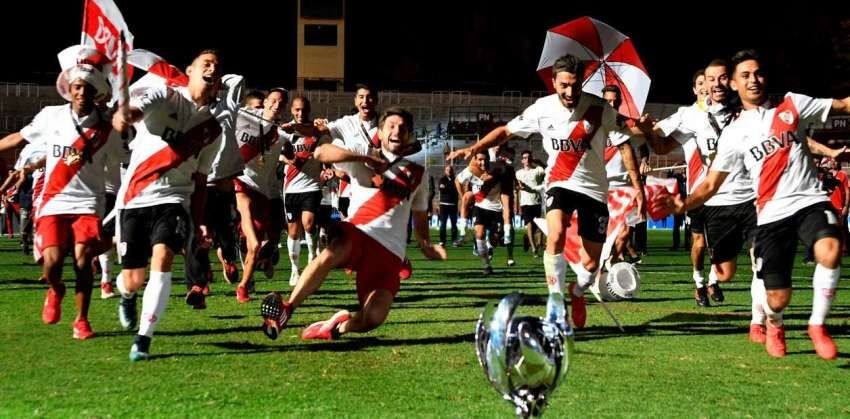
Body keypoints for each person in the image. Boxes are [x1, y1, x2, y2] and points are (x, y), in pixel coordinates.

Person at [657, 49, 850, 360]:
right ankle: (773, 322)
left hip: (809, 200)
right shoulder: (734, 134)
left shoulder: (792, 105)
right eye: (744, 75)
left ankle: (817, 324)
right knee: (777, 297)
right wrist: (683, 204)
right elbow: (710, 184)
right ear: (734, 84)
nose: (753, 80)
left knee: (830, 248)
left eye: (758, 73)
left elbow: (842, 104)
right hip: (771, 214)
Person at [447, 54, 644, 328]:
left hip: (594, 189)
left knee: (590, 266)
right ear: (553, 82)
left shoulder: (599, 108)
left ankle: (576, 292)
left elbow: (629, 134)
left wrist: (646, 131)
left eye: (575, 85)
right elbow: (506, 131)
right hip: (559, 182)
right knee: (557, 233)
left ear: (582, 83)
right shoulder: (542, 108)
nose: (569, 92)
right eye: (563, 85)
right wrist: (474, 148)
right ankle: (556, 304)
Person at [260, 107, 446, 340]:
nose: (397, 131)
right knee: (331, 252)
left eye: (402, 128)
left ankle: (336, 327)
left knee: (373, 318)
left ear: (408, 136)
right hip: (359, 233)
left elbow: (420, 219)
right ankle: (287, 308)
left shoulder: (418, 174)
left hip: (390, 254)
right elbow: (321, 153)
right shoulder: (362, 154)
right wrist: (364, 158)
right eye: (391, 126)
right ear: (380, 131)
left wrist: (428, 247)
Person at [111, 49, 225, 361]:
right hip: (134, 198)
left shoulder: (213, 130)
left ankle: (143, 340)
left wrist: (199, 219)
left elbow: (201, 181)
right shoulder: (163, 96)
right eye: (206, 63)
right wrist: (124, 115)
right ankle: (126, 294)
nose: (212, 68)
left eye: (217, 65)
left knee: (163, 258)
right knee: (133, 279)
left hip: (174, 200)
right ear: (189, 70)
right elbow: (131, 115)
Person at [21, 47, 125, 340]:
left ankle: (81, 320)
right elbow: (19, 137)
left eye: (88, 88)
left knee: (82, 261)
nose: (81, 92)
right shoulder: (50, 116)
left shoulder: (108, 130)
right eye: (77, 86)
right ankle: (56, 290)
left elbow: (124, 158)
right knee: (52, 264)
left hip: (88, 202)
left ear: (96, 93)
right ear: (69, 88)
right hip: (54, 201)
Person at [640, 62, 736, 307]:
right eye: (702, 83)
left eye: (711, 82)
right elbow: (660, 137)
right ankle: (698, 282)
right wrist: (645, 129)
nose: (707, 87)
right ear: (695, 89)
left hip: (724, 193)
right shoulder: (689, 115)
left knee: (721, 246)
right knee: (700, 243)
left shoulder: (732, 114)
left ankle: (713, 280)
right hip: (697, 192)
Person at [228, 87, 287, 303]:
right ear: (266, 101)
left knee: (264, 238)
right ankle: (242, 285)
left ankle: (247, 276)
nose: (276, 104)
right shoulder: (244, 116)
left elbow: (301, 137)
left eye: (281, 102)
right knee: (253, 242)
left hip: (263, 190)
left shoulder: (281, 133)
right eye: (273, 100)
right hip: (241, 182)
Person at [280, 95, 327, 286]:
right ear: (292, 110)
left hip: (311, 185)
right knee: (293, 231)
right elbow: (279, 155)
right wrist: (287, 160)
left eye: (304, 110)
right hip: (291, 186)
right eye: (297, 110)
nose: (301, 113)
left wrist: (326, 167)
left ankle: (312, 257)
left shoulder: (315, 130)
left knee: (308, 223)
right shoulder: (285, 131)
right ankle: (294, 269)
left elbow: (325, 149)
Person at [515, 150, 545, 256]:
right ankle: (534, 249)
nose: (527, 159)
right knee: (530, 225)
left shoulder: (538, 170)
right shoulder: (518, 173)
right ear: (522, 160)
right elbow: (517, 188)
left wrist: (539, 161)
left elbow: (547, 169)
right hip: (525, 202)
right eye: (524, 157)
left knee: (538, 227)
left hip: (537, 201)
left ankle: (528, 239)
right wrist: (519, 188)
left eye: (529, 157)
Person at [437, 165, 459, 247]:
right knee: (443, 224)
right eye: (447, 170)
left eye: (450, 170)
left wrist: (447, 188)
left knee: (454, 224)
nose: (449, 171)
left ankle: (454, 241)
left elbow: (456, 191)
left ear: (452, 171)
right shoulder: (442, 179)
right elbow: (442, 190)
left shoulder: (456, 180)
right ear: (445, 171)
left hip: (453, 205)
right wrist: (451, 188)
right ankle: (442, 241)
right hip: (444, 205)